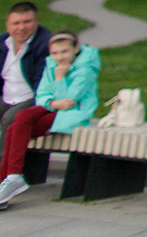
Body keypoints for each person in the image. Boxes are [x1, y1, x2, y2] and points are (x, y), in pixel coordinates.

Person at [0, 31, 100, 206]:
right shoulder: (50, 64)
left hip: (73, 115)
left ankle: (11, 178)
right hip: (52, 109)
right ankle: (10, 179)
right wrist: (53, 102)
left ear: (76, 49)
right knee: (18, 122)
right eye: (54, 53)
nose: (59, 57)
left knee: (15, 128)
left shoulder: (86, 69)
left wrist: (60, 77)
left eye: (64, 52)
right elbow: (42, 94)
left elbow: (70, 100)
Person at [1, 4, 50, 139]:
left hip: (31, 97)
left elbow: (42, 85)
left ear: (37, 22)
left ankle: (4, 159)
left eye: (27, 22)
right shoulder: (3, 43)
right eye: (16, 23)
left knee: (11, 118)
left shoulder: (46, 44)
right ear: (8, 25)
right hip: (7, 97)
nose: (21, 28)